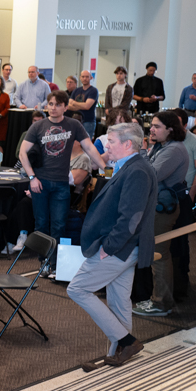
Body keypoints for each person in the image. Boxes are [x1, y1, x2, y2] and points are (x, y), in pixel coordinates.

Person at [67, 122, 157, 366]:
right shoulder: (128, 166)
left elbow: (131, 218)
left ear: (128, 144)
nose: (106, 145)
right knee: (118, 300)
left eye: (112, 141)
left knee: (77, 289)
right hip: (124, 247)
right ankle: (118, 352)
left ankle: (126, 341)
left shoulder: (137, 170)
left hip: (120, 248)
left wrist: (109, 247)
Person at [20, 90, 107, 275]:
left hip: (61, 184)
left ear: (65, 107)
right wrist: (32, 178)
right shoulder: (38, 126)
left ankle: (54, 264)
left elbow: (89, 147)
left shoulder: (73, 125)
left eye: (58, 105)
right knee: (41, 224)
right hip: (40, 182)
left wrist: (104, 167)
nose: (53, 108)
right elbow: (22, 153)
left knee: (59, 225)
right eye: (50, 104)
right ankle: (43, 262)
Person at [132, 111, 189, 318]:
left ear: (170, 129)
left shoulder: (174, 149)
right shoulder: (162, 146)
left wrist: (143, 154)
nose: (152, 129)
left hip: (163, 209)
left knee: (159, 255)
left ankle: (161, 303)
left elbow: (149, 175)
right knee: (156, 253)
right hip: (154, 205)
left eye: (156, 126)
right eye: (152, 126)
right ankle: (158, 299)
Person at [68, 70, 100, 139]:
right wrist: (81, 106)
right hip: (76, 121)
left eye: (87, 77)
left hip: (88, 122)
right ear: (80, 78)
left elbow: (87, 106)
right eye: (83, 77)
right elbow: (69, 106)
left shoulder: (93, 90)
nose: (84, 78)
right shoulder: (76, 90)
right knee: (75, 142)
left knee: (86, 144)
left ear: (91, 78)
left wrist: (74, 103)